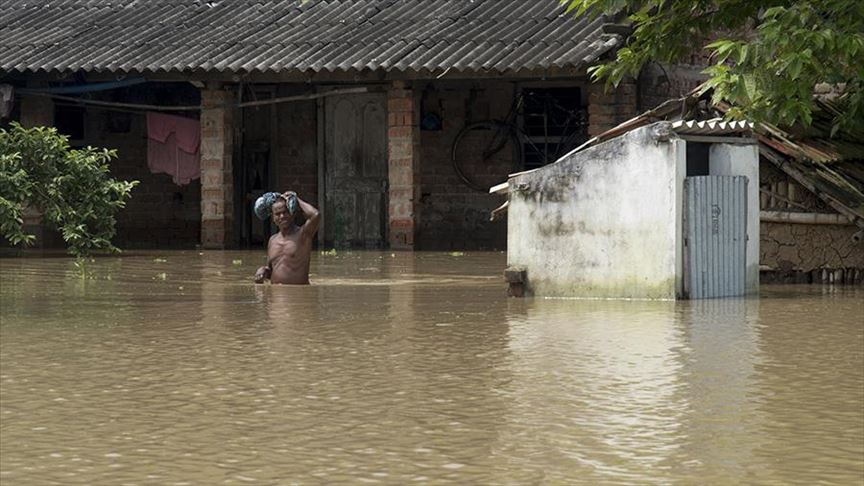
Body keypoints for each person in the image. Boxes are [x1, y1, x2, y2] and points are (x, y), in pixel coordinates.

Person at [253, 191, 320, 285]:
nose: (282, 216)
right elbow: (271, 269)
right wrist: (263, 271)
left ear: (292, 213)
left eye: (285, 212)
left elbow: (315, 215)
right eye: (277, 214)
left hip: (298, 295)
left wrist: (296, 199)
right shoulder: (272, 240)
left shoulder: (303, 235)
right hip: (275, 295)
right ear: (273, 218)